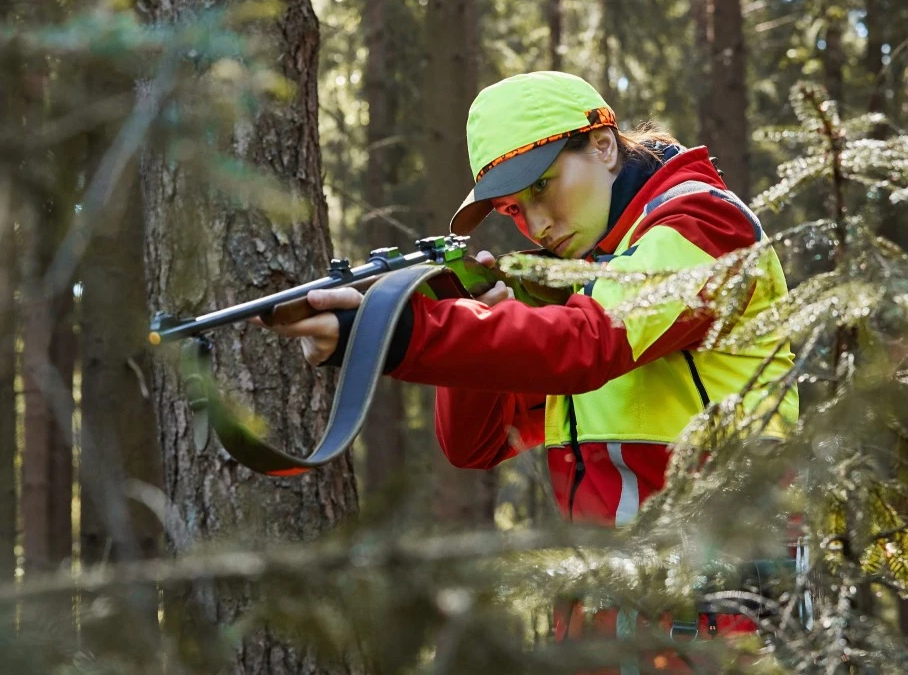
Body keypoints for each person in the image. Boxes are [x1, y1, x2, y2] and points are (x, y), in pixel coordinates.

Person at [266, 71, 799, 649]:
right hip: (612, 628)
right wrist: (467, 310)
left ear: (603, 145)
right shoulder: (586, 277)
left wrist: (396, 331)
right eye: (512, 209)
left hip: (723, 624)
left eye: (542, 188)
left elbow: (590, 343)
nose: (537, 225)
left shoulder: (705, 222)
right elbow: (475, 445)